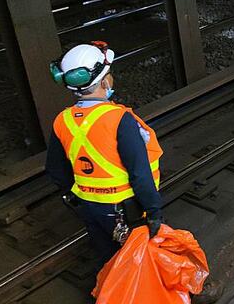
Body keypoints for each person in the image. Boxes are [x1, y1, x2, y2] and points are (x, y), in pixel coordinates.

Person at [45, 41, 164, 267]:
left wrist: (77, 195)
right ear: (104, 81)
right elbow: (140, 173)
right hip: (126, 210)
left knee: (108, 259)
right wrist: (154, 210)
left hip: (90, 208)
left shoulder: (63, 120)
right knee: (136, 263)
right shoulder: (120, 120)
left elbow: (55, 169)